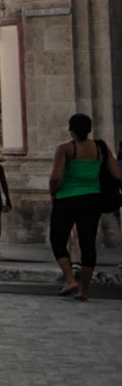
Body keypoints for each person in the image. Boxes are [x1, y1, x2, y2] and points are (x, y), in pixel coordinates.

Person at [49, 112, 122, 301]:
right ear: (89, 130)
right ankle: (85, 290)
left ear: (71, 130)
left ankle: (70, 278)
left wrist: (53, 193)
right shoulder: (100, 148)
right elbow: (116, 173)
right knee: (88, 242)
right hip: (93, 199)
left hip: (67, 198)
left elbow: (56, 177)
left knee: (58, 239)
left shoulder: (65, 149)